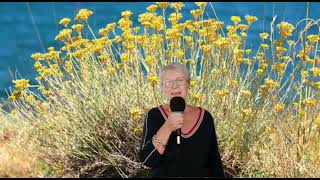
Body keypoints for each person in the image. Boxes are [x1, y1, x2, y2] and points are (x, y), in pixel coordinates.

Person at [139, 62, 225, 177]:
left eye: (180, 80)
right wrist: (167, 127)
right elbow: (147, 160)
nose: (175, 86)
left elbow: (214, 161)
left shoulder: (205, 117)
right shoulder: (153, 115)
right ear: (162, 87)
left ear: (188, 84)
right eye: (169, 82)